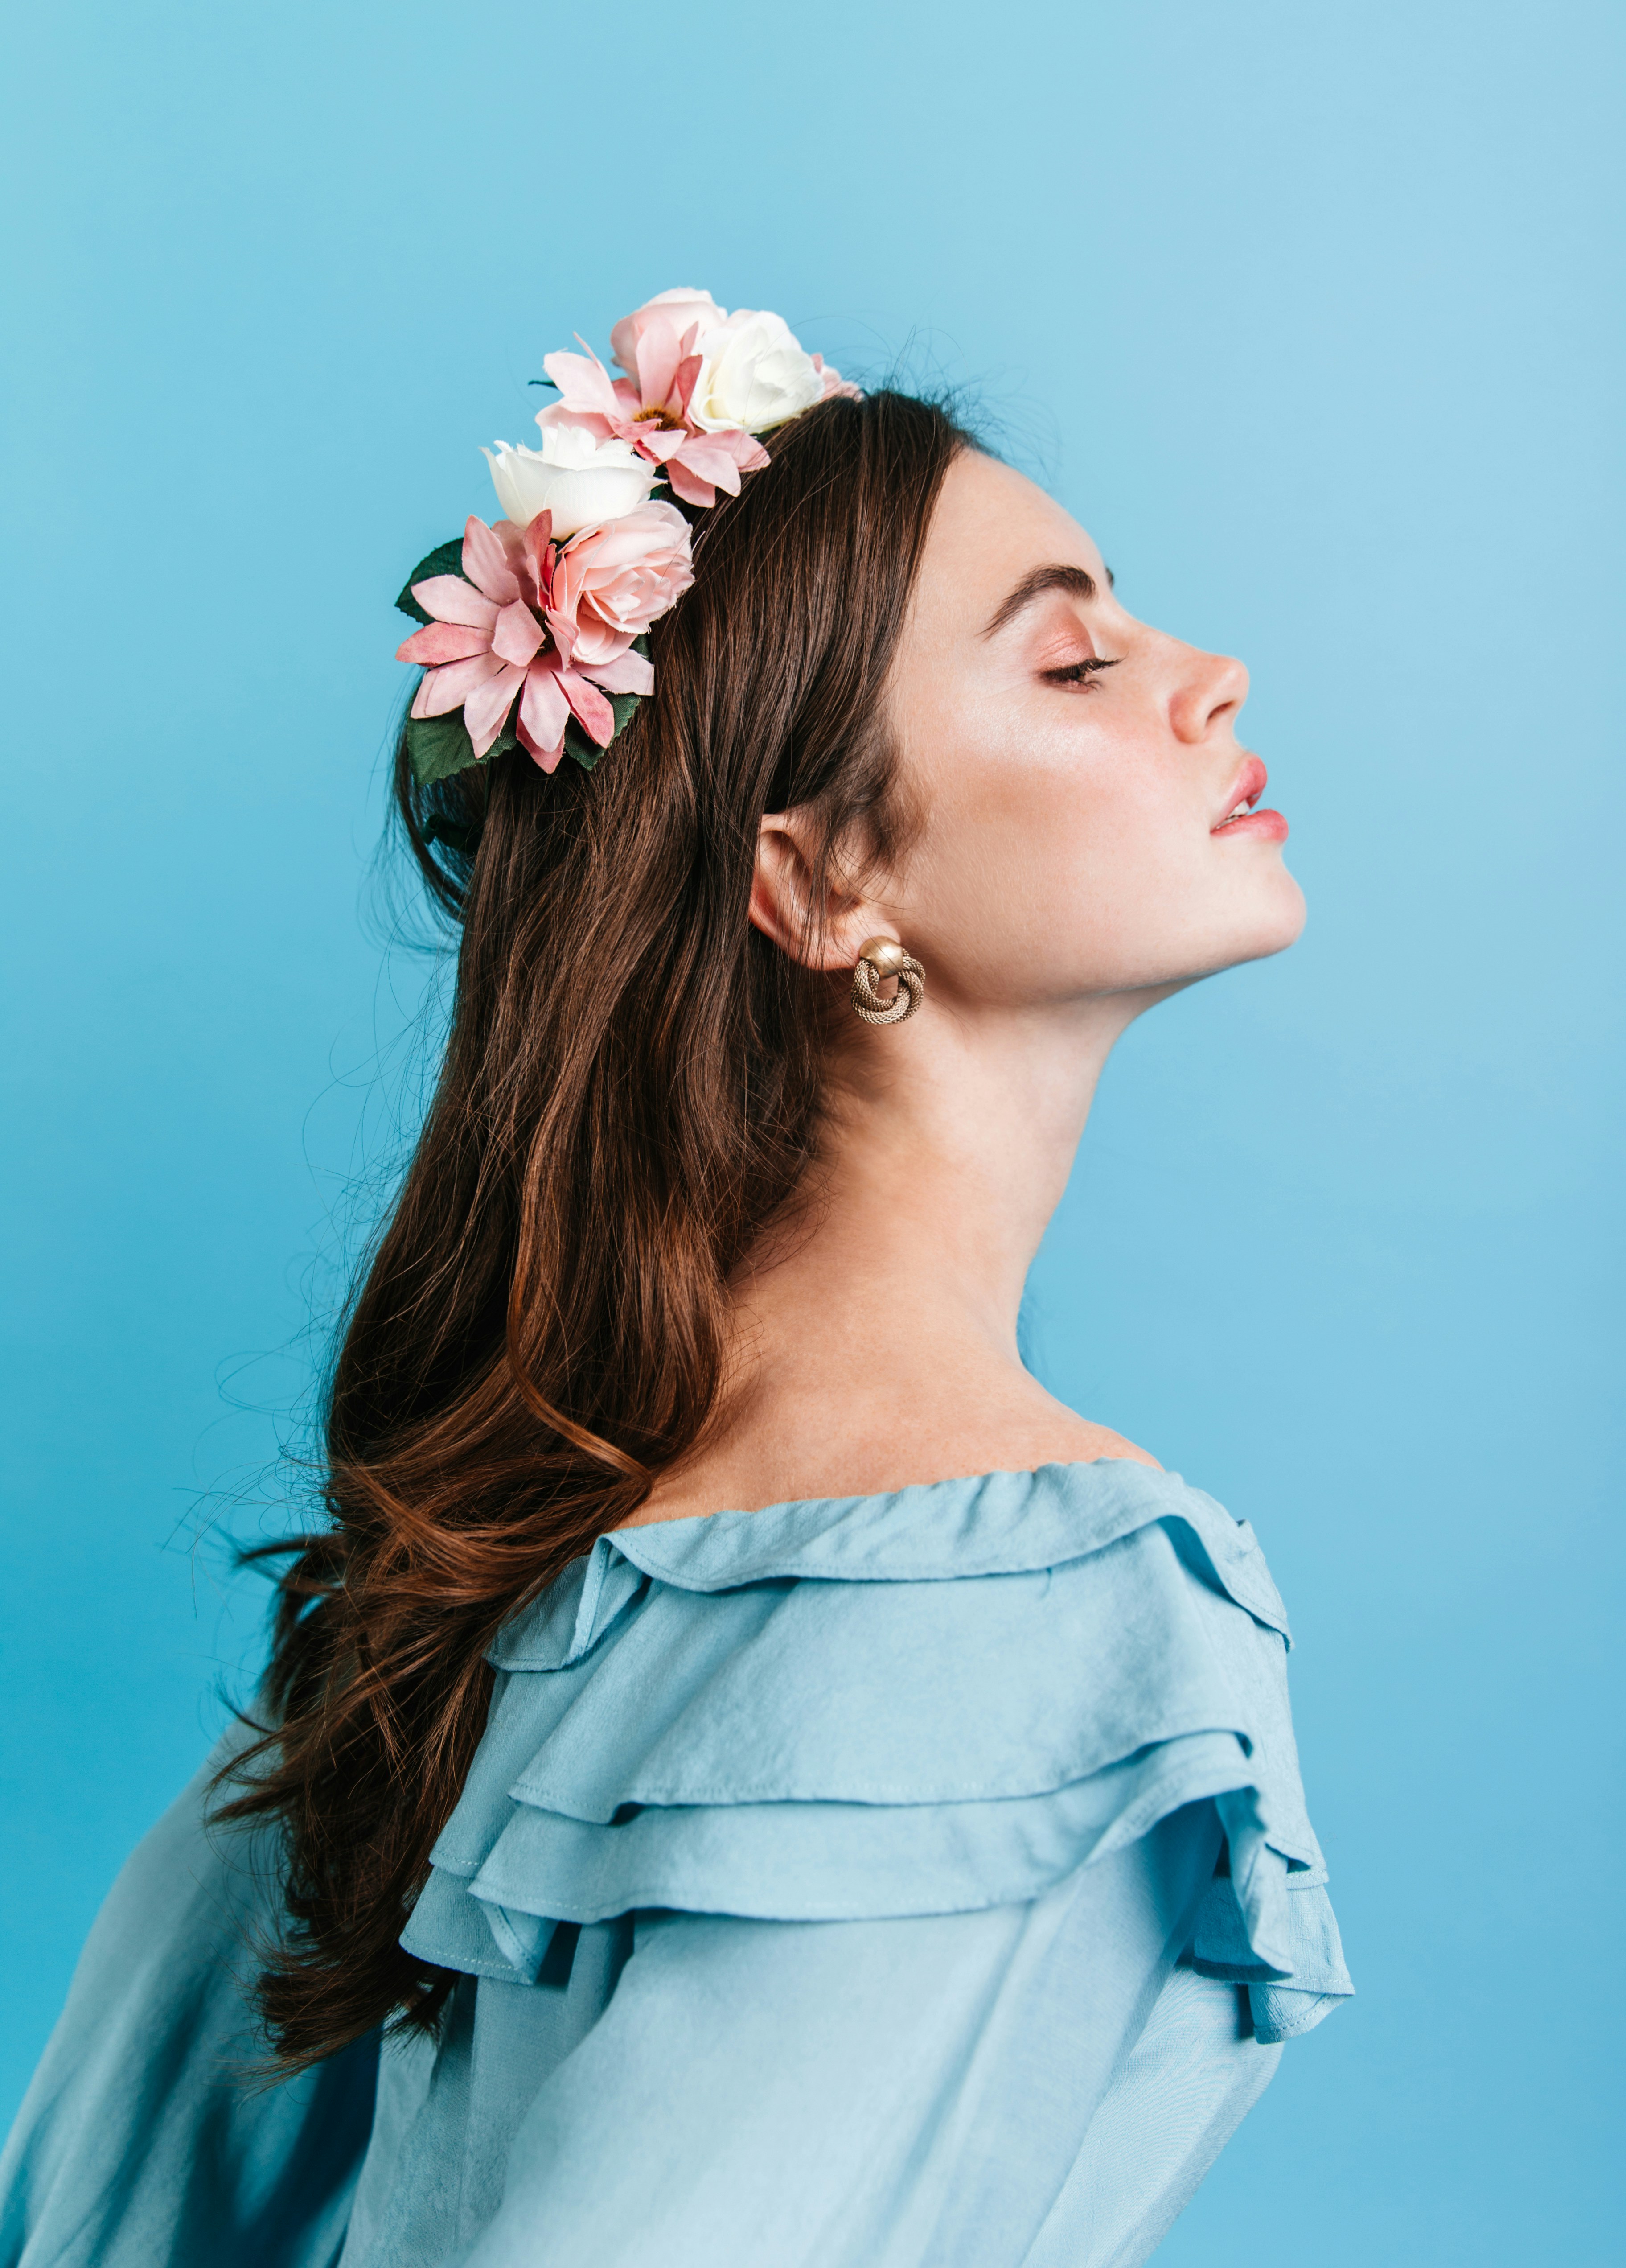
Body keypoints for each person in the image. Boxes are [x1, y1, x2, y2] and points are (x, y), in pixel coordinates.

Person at [0, 289, 1352, 2268]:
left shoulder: (433, 1609)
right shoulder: (1037, 1626)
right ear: (817, 881)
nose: (1214, 675)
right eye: (1072, 660)